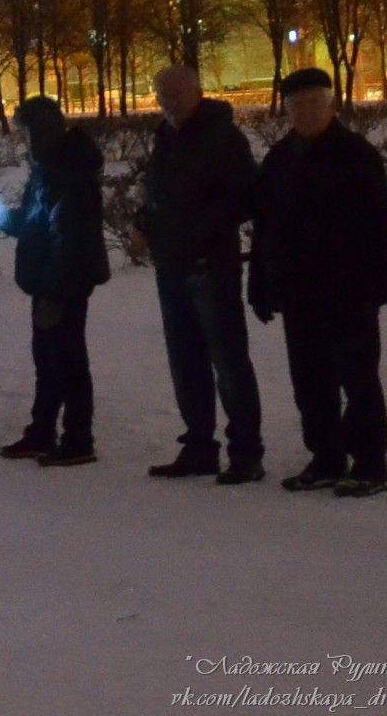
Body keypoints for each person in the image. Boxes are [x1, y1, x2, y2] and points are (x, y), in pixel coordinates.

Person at [250, 68, 387, 498]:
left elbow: (379, 226)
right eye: (297, 105)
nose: (306, 112)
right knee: (311, 381)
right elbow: (266, 229)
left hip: (349, 291)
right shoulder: (280, 159)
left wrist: (377, 282)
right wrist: (260, 283)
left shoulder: (356, 155)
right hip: (299, 294)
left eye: (315, 103)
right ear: (287, 111)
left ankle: (370, 464)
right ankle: (327, 456)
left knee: (359, 379)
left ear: (330, 104)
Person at [140, 65, 265, 484]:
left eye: (176, 91)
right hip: (172, 267)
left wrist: (198, 230)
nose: (168, 99)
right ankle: (199, 447)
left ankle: (246, 453)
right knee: (186, 362)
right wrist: (145, 224)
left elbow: (245, 198)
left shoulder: (223, 138)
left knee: (228, 362)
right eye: (162, 92)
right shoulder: (166, 137)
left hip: (211, 266)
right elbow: (158, 193)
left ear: (196, 91)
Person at [0, 96, 108, 466]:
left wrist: (55, 292)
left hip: (62, 282)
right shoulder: (50, 166)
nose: (23, 139)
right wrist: (6, 220)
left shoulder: (67, 169)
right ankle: (43, 431)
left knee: (67, 359)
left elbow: (71, 235)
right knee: (48, 359)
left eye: (25, 130)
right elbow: (41, 222)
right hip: (50, 279)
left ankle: (78, 438)